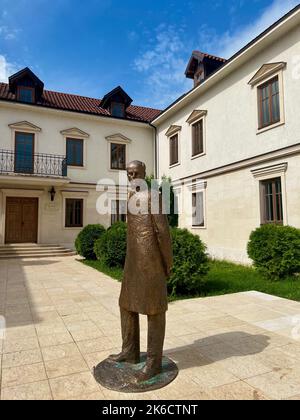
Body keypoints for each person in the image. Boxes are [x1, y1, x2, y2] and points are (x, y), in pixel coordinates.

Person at [109, 160, 173, 382]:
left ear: (144, 173)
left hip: (151, 262)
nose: (132, 175)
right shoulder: (130, 197)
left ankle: (154, 363)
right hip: (133, 262)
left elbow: (163, 232)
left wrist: (168, 262)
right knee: (126, 304)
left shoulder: (153, 196)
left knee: (154, 310)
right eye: (128, 173)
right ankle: (129, 351)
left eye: (136, 172)